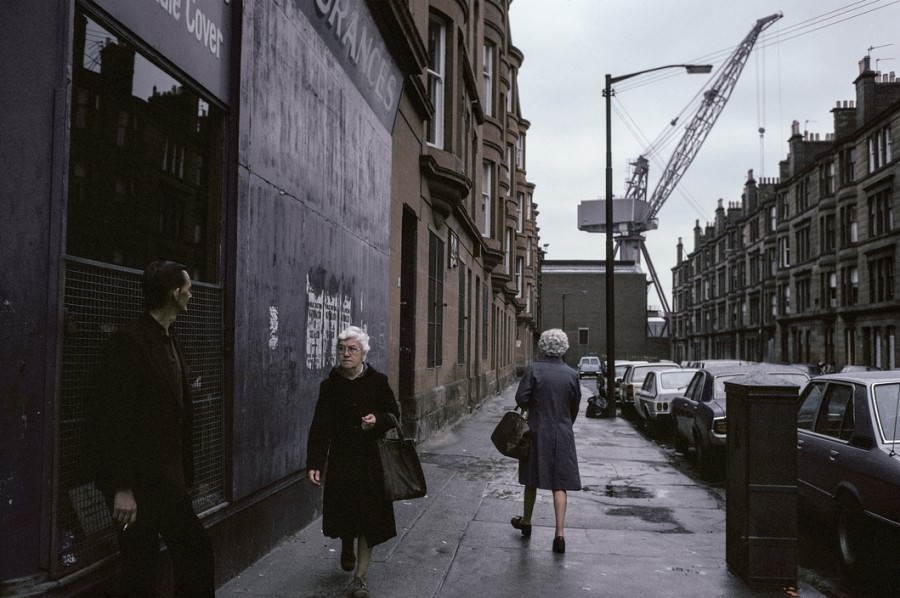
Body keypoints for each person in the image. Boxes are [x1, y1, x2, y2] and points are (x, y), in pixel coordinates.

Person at [90, 260, 214, 597]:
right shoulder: (129, 343)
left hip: (167, 480)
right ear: (175, 293)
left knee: (193, 552)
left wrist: (185, 475)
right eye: (188, 287)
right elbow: (110, 419)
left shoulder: (171, 339)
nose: (192, 293)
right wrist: (122, 487)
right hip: (138, 484)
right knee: (140, 568)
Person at [306, 326, 400, 598]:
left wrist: (377, 421)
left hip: (371, 461)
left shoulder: (378, 382)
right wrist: (314, 463)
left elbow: (394, 414)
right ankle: (347, 542)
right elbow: (320, 428)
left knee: (369, 519)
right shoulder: (330, 385)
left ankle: (360, 578)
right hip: (341, 461)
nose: (345, 354)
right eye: (342, 349)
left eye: (351, 349)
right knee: (346, 514)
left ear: (363, 354)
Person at [510, 328, 582, 554]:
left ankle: (527, 522)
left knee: (531, 478)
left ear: (543, 346)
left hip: (536, 430)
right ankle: (559, 534)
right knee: (559, 483)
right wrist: (564, 423)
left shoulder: (533, 369)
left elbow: (521, 398)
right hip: (562, 432)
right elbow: (575, 406)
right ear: (563, 347)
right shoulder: (572, 374)